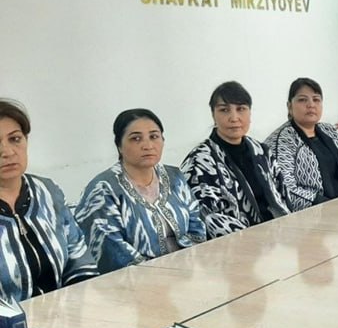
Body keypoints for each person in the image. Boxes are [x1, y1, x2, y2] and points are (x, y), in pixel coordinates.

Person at [76, 109, 206, 272]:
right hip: (134, 279)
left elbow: (196, 224)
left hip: (186, 271)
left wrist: (190, 265)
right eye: (136, 139)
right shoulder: (103, 190)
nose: (148, 146)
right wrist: (162, 274)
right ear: (119, 146)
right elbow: (111, 251)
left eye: (154, 136)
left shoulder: (174, 177)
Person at [0, 100, 97, 303]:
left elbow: (78, 257)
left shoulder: (47, 191)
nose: (7, 152)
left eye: (15, 139)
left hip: (64, 315)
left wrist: (81, 306)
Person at [182, 81, 289, 238]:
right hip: (236, 243)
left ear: (250, 113)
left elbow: (283, 196)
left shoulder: (262, 151)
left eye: (241, 109)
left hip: (277, 235)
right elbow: (208, 219)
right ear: (213, 115)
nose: (234, 118)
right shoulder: (200, 162)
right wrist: (258, 239)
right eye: (224, 110)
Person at [265, 77, 338, 209]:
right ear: (289, 107)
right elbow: (285, 188)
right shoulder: (283, 140)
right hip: (313, 214)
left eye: (316, 99)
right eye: (302, 100)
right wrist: (327, 206)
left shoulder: (329, 130)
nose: (311, 105)